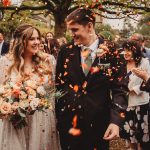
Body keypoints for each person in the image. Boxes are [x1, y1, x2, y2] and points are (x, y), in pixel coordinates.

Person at [55, 7, 128, 150]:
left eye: (75, 30)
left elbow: (120, 89)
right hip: (70, 125)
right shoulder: (65, 50)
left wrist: (115, 121)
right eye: (70, 30)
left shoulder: (113, 51)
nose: (72, 35)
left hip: (100, 124)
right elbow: (59, 86)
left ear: (89, 26)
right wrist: (60, 117)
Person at [0, 24, 61, 150]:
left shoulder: (48, 60)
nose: (37, 42)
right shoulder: (5, 62)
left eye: (38, 38)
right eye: (32, 39)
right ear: (20, 41)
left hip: (41, 121)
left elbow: (53, 94)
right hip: (15, 121)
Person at [120, 41, 150, 150]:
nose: (126, 53)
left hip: (141, 104)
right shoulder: (122, 64)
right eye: (125, 50)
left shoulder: (144, 62)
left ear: (135, 51)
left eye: (129, 50)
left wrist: (134, 90)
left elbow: (148, 80)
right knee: (130, 136)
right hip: (127, 104)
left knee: (142, 137)